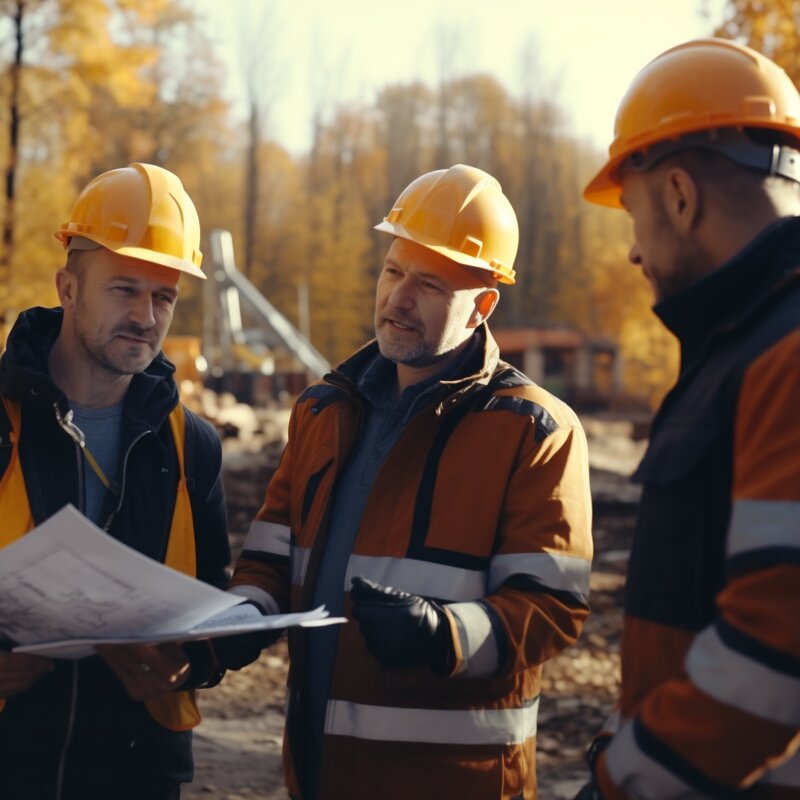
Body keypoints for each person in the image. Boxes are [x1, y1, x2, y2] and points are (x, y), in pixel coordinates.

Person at [228, 163, 593, 800]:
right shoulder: (321, 411)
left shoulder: (535, 429)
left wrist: (446, 634)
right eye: (393, 271)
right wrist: (237, 622)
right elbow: (269, 559)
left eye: (429, 284)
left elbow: (552, 609)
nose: (398, 298)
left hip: (456, 783)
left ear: (482, 306)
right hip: (317, 776)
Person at [576, 38, 800, 799]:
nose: (635, 254)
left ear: (679, 195)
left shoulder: (787, 353)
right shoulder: (745, 345)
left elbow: (773, 654)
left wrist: (624, 777)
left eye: (633, 216)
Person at [0, 162, 233, 800]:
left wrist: (196, 660)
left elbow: (216, 595)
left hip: (138, 770)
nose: (145, 316)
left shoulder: (194, 445)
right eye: (123, 288)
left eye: (163, 297)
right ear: (68, 286)